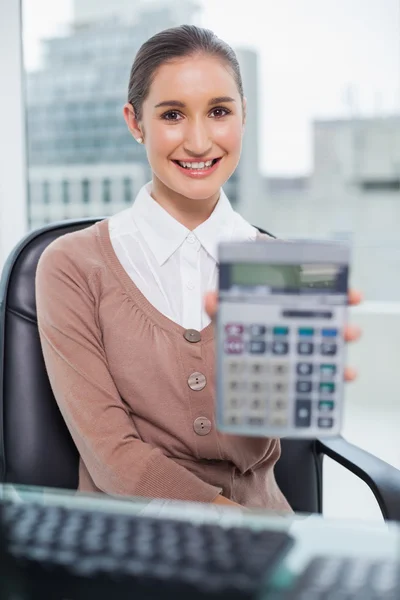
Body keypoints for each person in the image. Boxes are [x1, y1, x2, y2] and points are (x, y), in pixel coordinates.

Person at [35, 24, 361, 511]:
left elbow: (257, 453)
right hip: (132, 539)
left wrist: (296, 382)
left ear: (243, 117)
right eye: (172, 114)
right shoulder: (71, 265)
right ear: (135, 122)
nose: (199, 140)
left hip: (265, 537)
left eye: (219, 112)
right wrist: (229, 523)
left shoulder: (281, 267)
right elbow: (111, 456)